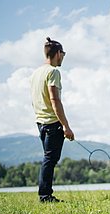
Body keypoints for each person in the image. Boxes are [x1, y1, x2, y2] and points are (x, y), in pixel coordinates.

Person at [30, 37, 74, 203]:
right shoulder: (53, 72)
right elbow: (55, 100)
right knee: (50, 159)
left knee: (48, 158)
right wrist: (66, 126)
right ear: (57, 54)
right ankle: (45, 195)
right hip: (52, 123)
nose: (63, 57)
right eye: (62, 54)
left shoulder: (35, 73)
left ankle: (45, 194)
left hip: (40, 122)